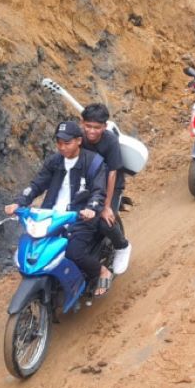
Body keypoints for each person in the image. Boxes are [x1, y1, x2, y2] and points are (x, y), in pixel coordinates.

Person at [5, 121, 111, 294]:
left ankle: (101, 271)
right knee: (34, 249)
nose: (62, 147)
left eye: (67, 143)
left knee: (73, 252)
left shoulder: (93, 163)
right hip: (51, 217)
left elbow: (99, 192)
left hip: (80, 217)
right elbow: (36, 185)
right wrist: (19, 202)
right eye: (59, 143)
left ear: (78, 141)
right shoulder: (54, 162)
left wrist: (91, 208)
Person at [79, 104, 132, 275]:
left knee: (104, 221)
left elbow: (112, 174)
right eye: (88, 126)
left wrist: (106, 206)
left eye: (97, 127)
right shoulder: (78, 138)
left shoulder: (110, 141)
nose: (92, 131)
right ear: (82, 123)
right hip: (87, 183)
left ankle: (122, 246)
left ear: (105, 126)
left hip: (111, 185)